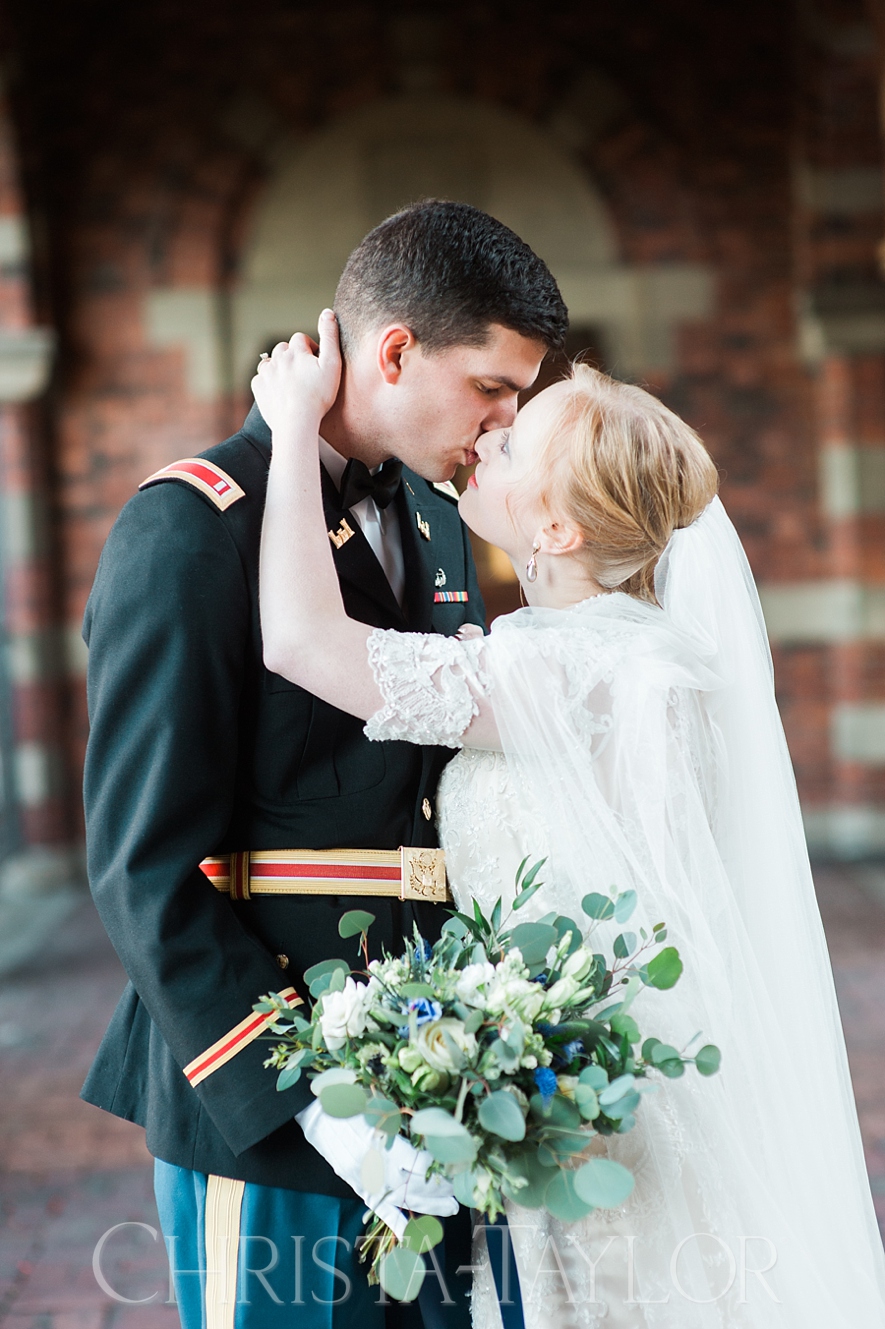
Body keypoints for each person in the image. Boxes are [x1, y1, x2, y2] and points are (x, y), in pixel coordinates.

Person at [254, 314, 885, 1328]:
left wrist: (289, 427)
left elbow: (300, 641)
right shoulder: (650, 657)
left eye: (509, 446)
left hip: (592, 1120)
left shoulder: (562, 670)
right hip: (610, 1081)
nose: (483, 440)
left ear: (555, 531)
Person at [80, 200, 568, 1329]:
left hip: (445, 1081)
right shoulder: (192, 528)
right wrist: (305, 1095)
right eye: (493, 388)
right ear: (395, 351)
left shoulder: (444, 523)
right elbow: (144, 866)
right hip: (273, 1104)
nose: (505, 425)